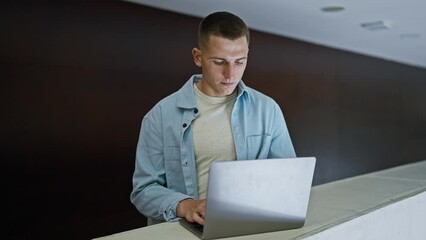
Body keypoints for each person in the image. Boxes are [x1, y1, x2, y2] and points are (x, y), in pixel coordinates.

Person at [130, 11, 296, 226]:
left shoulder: (268, 109)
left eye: (240, 62)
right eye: (219, 62)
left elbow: (288, 178)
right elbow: (143, 191)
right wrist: (186, 206)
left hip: (251, 228)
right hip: (183, 232)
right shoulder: (159, 117)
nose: (230, 74)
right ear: (198, 57)